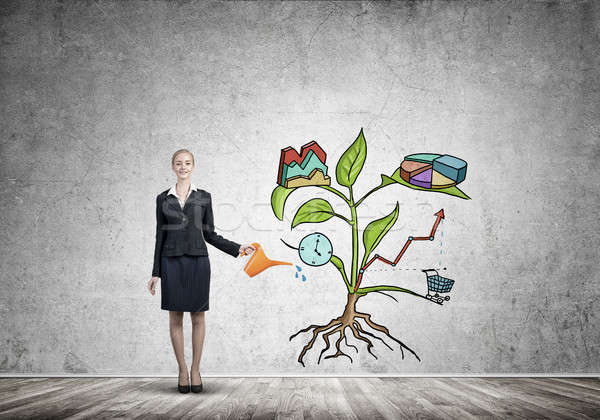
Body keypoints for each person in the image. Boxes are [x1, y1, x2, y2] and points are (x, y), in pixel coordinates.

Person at [147, 149, 255, 394]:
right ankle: (182, 370)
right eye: (178, 163)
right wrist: (156, 272)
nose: (183, 167)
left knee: (198, 317)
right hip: (170, 262)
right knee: (175, 317)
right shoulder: (162, 198)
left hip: (198, 262)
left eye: (187, 163)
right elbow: (159, 236)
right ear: (173, 167)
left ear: (193, 166)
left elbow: (209, 234)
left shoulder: (204, 197)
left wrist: (237, 247)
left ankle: (196, 370)